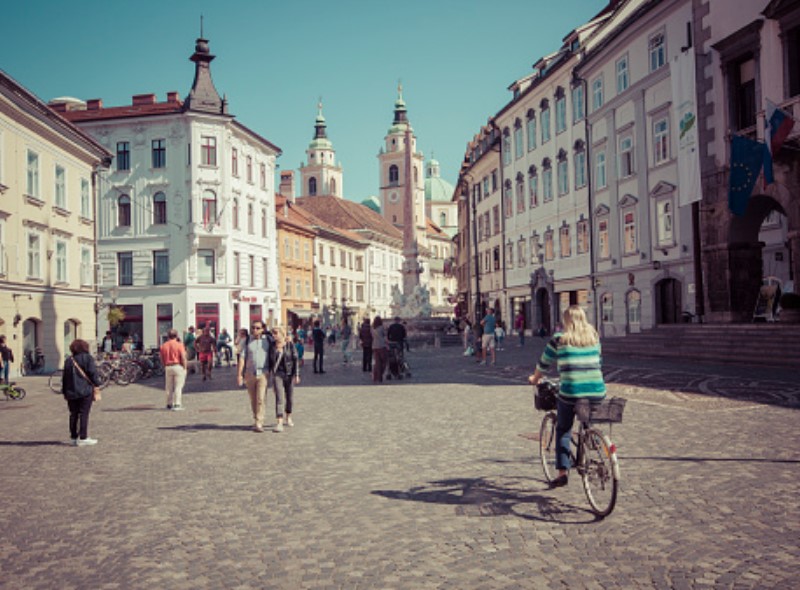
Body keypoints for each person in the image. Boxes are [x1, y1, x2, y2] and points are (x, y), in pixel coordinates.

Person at [528, 305, 607, 489]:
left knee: (563, 429)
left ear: (566, 321)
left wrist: (535, 378)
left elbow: (544, 363)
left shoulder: (559, 339)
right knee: (586, 411)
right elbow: (599, 362)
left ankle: (562, 473)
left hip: (571, 391)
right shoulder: (593, 338)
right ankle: (591, 436)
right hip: (597, 390)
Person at [62, 339, 101, 446]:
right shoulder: (87, 358)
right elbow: (92, 373)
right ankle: (83, 437)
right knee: (84, 413)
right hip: (85, 390)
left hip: (71, 391)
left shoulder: (69, 360)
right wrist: (97, 384)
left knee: (73, 414)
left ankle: (73, 437)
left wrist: (64, 391)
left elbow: (65, 377)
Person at [238, 320, 273, 432]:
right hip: (249, 373)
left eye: (258, 328)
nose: (255, 330)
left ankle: (259, 422)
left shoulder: (268, 341)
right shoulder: (247, 341)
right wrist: (239, 374)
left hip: (263, 373)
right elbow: (242, 358)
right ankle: (256, 418)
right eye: (253, 328)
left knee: (261, 399)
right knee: (253, 399)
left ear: (263, 329)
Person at [270, 327, 300, 432]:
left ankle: (289, 415)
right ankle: (279, 422)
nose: (274, 335)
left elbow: (296, 360)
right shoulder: (272, 346)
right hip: (278, 374)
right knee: (279, 397)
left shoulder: (290, 345)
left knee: (289, 397)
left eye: (276, 333)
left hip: (289, 374)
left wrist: (296, 375)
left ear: (282, 334)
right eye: (273, 333)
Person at [160, 328, 188, 411]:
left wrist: (164, 365)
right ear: (176, 336)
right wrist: (185, 367)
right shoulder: (179, 345)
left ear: (168, 336)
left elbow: (161, 358)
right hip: (177, 366)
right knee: (178, 386)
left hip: (168, 366)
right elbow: (183, 357)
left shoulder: (163, 345)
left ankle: (169, 403)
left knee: (168, 386)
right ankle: (177, 404)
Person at [371, 316, 388, 383]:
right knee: (384, 361)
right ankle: (380, 375)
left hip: (374, 346)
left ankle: (376, 377)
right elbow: (385, 335)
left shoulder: (372, 328)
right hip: (382, 346)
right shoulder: (381, 327)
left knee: (377, 363)